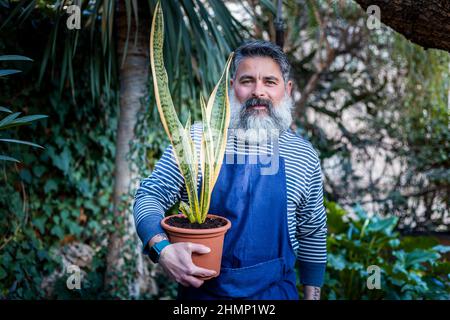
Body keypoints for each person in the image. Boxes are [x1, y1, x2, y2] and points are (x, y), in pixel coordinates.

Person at [133, 40, 327, 300]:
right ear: (231, 86)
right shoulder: (196, 141)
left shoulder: (302, 155)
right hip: (203, 296)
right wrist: (162, 249)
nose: (258, 91)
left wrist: (312, 296)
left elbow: (312, 229)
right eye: (247, 80)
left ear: (287, 89)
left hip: (275, 294)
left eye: (270, 81)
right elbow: (150, 195)